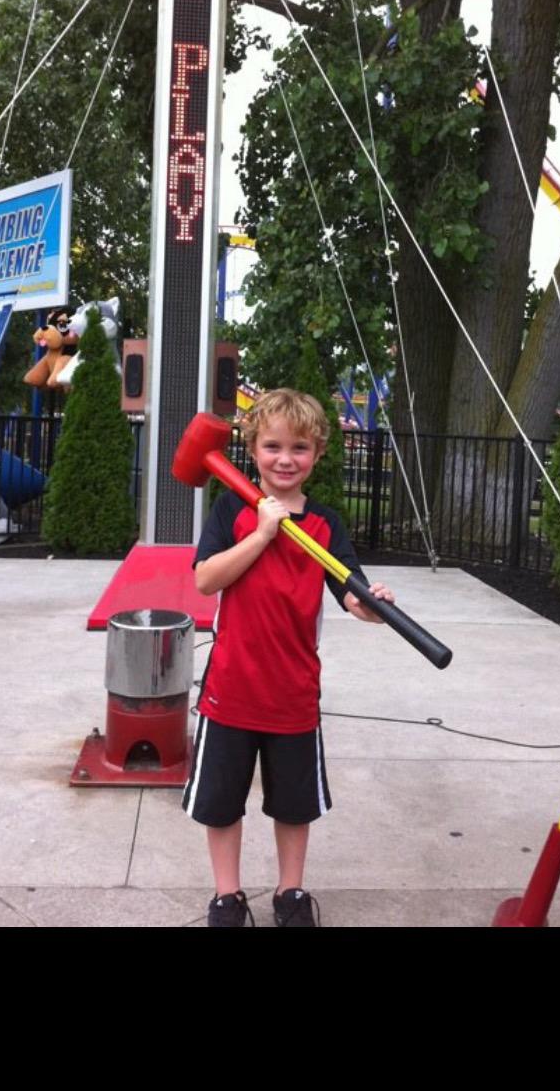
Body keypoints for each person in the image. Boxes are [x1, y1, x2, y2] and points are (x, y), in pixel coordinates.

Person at [183, 388, 395, 927]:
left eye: (299, 448)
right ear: (253, 450)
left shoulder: (324, 524)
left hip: (294, 693)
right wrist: (262, 533)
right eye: (273, 446)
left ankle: (290, 893)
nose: (285, 459)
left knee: (295, 805)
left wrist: (374, 606)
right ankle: (227, 897)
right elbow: (206, 579)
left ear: (318, 453)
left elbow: (350, 594)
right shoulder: (232, 509)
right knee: (221, 802)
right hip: (231, 689)